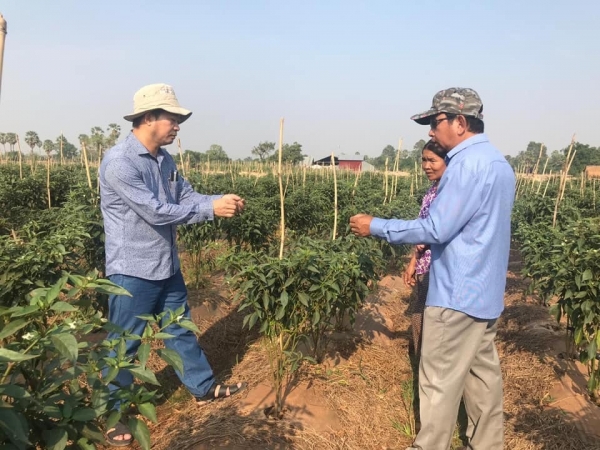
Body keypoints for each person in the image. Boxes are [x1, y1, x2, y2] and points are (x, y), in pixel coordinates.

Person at [350, 87, 515, 450]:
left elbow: (436, 228)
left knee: (438, 385)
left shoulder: (465, 165)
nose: (430, 131)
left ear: (460, 122)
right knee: (482, 383)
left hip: (455, 293)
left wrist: (376, 225)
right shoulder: (498, 163)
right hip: (485, 295)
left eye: (435, 121)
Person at [99, 83, 246, 446]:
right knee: (123, 345)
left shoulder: (165, 160)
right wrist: (210, 210)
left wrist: (218, 200)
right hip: (132, 270)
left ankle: (202, 387)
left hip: (166, 264)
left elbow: (186, 196)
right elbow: (155, 211)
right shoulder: (120, 162)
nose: (178, 126)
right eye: (172, 119)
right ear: (148, 118)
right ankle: (113, 414)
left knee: (179, 329)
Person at [403, 139, 447, 357]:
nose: (426, 166)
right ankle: (422, 358)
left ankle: (429, 359)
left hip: (441, 264)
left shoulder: (448, 193)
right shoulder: (432, 190)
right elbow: (422, 230)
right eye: (424, 160)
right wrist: (413, 262)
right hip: (426, 264)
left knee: (433, 315)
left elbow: (433, 231)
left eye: (432, 160)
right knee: (421, 309)